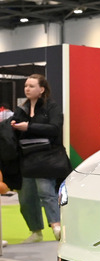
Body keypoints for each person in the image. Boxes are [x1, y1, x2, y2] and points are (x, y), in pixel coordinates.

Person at [10, 74, 64, 243]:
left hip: (46, 158)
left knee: (46, 192)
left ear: (42, 89)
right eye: (26, 85)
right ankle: (35, 231)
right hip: (26, 158)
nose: (27, 89)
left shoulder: (52, 107)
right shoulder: (21, 109)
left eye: (32, 86)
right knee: (26, 197)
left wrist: (29, 127)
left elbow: (55, 128)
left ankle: (56, 226)